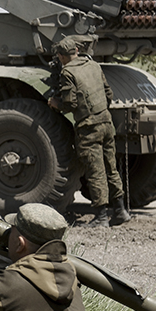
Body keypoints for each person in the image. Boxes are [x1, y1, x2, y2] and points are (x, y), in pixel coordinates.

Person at [47, 35, 130, 227]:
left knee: (95, 170)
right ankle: (120, 210)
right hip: (106, 122)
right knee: (111, 167)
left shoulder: (67, 73)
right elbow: (108, 93)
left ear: (61, 56)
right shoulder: (94, 65)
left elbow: (70, 104)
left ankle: (101, 216)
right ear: (76, 51)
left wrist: (54, 103)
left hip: (89, 127)